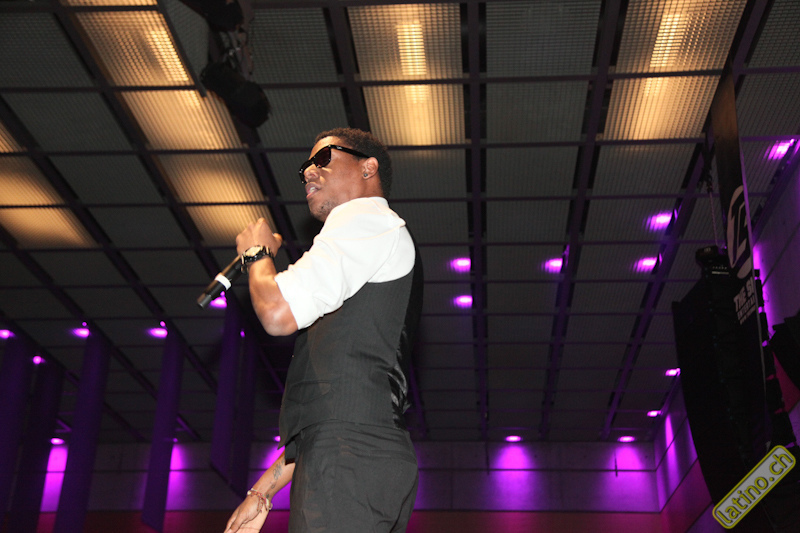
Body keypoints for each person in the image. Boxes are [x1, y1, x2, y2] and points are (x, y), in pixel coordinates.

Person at [224, 128, 423, 532]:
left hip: (350, 457)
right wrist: (263, 491)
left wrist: (257, 255)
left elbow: (276, 312)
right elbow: (334, 409)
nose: (309, 172)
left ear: (368, 168)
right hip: (355, 456)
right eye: (305, 168)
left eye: (323, 159)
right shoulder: (366, 245)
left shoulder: (365, 217)